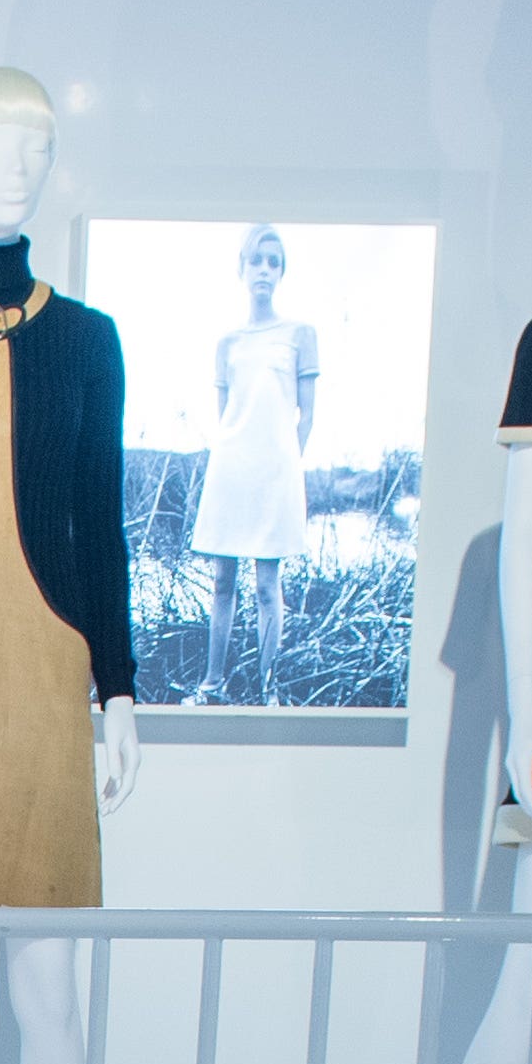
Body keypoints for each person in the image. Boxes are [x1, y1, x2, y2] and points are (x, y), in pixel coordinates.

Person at [191, 223, 316, 704]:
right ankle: (211, 683)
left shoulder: (300, 334)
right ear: (241, 269)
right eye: (256, 260)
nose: (264, 269)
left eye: (274, 261)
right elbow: (227, 416)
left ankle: (269, 688)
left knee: (268, 585)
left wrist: (284, 466)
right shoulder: (228, 342)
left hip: (275, 472)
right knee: (223, 581)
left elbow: (307, 416)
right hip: (231, 470)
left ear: (281, 272)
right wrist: (240, 457)